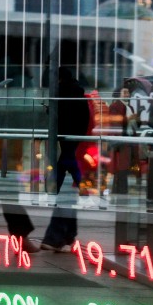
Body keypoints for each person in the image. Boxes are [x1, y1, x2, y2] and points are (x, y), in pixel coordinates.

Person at [41, 67, 92, 252]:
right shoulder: (79, 95)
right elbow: (84, 119)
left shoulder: (62, 94)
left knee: (63, 186)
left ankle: (56, 237)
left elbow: (59, 118)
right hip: (76, 142)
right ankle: (68, 234)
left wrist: (50, 112)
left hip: (66, 143)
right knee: (68, 191)